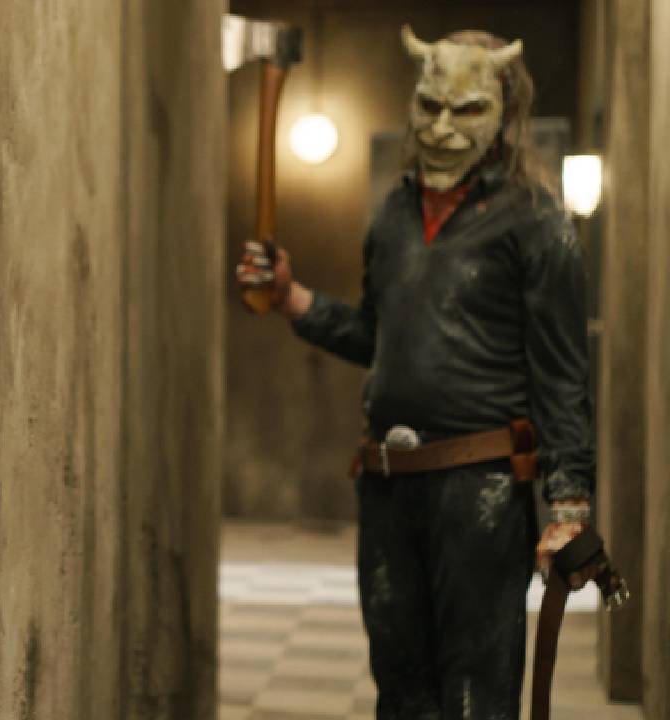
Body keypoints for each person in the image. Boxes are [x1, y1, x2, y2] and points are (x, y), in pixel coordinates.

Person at [238, 27, 593, 719]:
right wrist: (291, 298)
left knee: (477, 692)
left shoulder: (536, 221)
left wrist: (569, 505)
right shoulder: (395, 214)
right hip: (388, 486)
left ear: (505, 110)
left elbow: (562, 375)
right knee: (400, 691)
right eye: (430, 105)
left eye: (466, 109)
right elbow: (381, 339)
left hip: (482, 493)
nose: (442, 127)